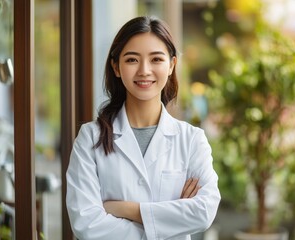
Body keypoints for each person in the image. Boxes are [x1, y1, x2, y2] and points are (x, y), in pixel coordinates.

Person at [66, 16, 221, 240]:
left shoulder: (191, 140)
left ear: (172, 65)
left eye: (156, 59)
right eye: (132, 60)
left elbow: (204, 212)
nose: (144, 70)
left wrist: (129, 210)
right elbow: (86, 224)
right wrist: (171, 219)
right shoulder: (90, 138)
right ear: (116, 67)